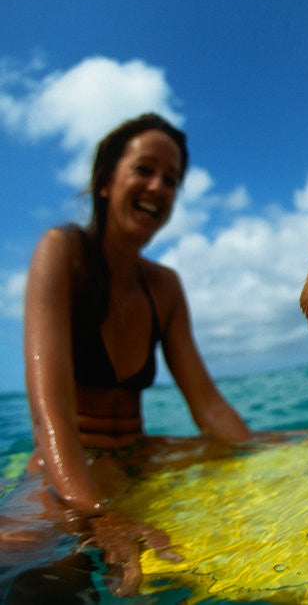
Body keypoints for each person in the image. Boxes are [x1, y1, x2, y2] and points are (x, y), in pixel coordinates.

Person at [4, 113, 255, 598]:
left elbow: (208, 407)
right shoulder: (62, 252)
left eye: (172, 179)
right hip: (67, 467)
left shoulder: (164, 287)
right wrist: (96, 515)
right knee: (32, 564)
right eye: (144, 169)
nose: (158, 186)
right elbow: (48, 414)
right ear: (104, 182)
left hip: (139, 459)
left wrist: (268, 449)